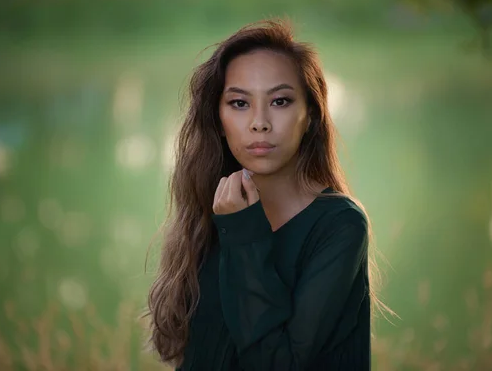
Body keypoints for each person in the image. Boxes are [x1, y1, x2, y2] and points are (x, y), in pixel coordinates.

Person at [146, 18, 389, 370]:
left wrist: (244, 233)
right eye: (240, 104)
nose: (259, 122)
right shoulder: (213, 210)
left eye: (280, 101)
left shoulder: (340, 225)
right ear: (218, 118)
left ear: (311, 116)